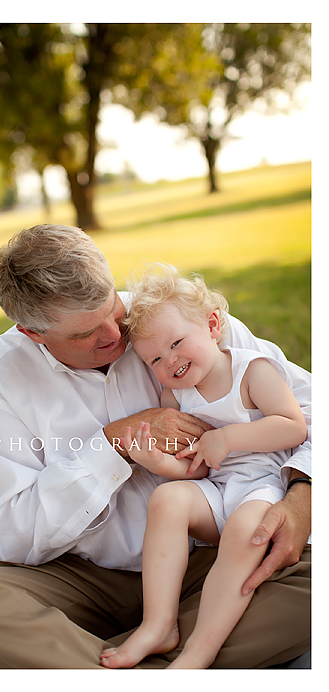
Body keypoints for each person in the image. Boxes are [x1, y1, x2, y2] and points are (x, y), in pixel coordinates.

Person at [0, 224, 311, 668]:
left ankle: (105, 663)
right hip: (84, 581)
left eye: (113, 311)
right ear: (32, 333)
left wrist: (303, 497)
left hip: (213, 557)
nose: (115, 336)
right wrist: (110, 445)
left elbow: (308, 410)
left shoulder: (173, 318)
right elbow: (15, 537)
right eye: (84, 334)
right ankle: (177, 658)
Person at [98, 264, 307, 669]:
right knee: (167, 498)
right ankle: (159, 625)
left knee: (247, 531)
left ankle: (199, 651)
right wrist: (157, 461)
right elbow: (193, 469)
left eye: (177, 342)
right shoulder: (176, 396)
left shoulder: (251, 370)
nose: (170, 361)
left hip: (263, 485)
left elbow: (292, 426)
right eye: (155, 358)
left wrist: (228, 438)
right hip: (217, 492)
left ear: (212, 324)